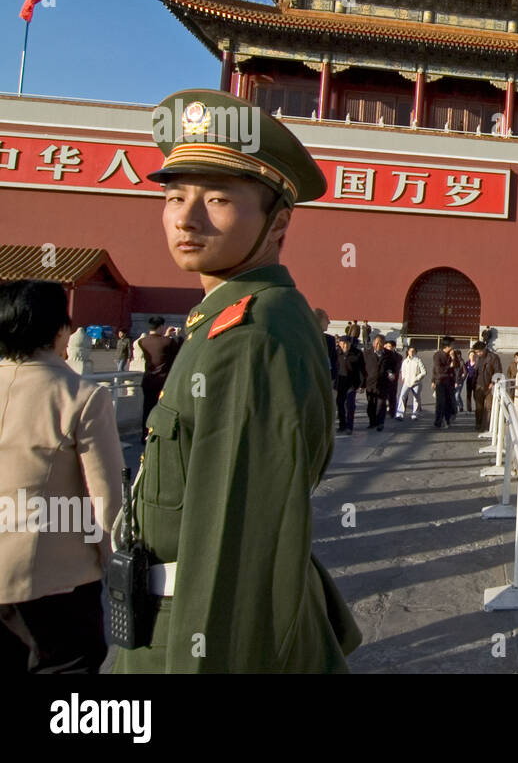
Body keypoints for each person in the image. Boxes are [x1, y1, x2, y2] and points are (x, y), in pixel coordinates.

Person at [114, 87, 359, 673]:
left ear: (278, 221)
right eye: (175, 197)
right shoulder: (226, 319)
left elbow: (234, 550)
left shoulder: (248, 337)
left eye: (219, 199)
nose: (186, 218)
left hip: (193, 634)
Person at [0, 280, 124, 674]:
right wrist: (109, 558)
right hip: (55, 578)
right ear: (60, 331)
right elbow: (105, 497)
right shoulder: (81, 396)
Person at [137, 315, 180, 444]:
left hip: (148, 381)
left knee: (147, 409)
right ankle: (159, 435)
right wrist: (175, 336)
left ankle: (145, 435)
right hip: (163, 382)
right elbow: (176, 353)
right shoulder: (168, 342)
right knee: (162, 409)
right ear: (161, 327)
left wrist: (165, 336)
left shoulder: (142, 342)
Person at [363, 336, 396, 431]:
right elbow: (362, 368)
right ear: (373, 343)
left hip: (383, 383)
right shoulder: (367, 354)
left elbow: (393, 366)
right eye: (376, 343)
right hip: (370, 383)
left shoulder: (389, 354)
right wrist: (362, 384)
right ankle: (372, 422)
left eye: (380, 343)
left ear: (384, 344)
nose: (378, 345)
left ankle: (380, 422)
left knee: (381, 404)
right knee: (371, 404)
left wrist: (391, 373)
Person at [335, 335, 365, 434]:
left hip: (352, 384)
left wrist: (362, 384)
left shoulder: (357, 354)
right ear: (339, 344)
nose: (345, 345)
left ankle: (349, 426)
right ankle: (342, 425)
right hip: (340, 383)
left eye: (347, 343)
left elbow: (362, 370)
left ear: (350, 344)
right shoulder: (336, 353)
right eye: (343, 343)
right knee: (340, 404)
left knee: (350, 405)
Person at [472, 342, 502, 432]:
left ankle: (488, 426)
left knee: (489, 407)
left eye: (480, 352)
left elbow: (498, 371)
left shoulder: (493, 357)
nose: (478, 354)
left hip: (489, 386)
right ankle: (478, 424)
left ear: (484, 349)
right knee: (479, 407)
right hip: (478, 385)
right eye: (476, 352)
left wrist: (493, 382)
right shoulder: (477, 358)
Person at [395, 346, 426, 420]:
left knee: (416, 398)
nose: (411, 353)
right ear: (408, 352)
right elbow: (403, 370)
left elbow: (424, 372)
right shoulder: (405, 361)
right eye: (410, 351)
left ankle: (415, 414)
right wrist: (404, 378)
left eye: (413, 351)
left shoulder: (418, 361)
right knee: (402, 396)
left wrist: (417, 378)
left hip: (416, 383)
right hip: (407, 382)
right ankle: (400, 413)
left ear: (415, 352)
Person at [431, 338, 457, 428]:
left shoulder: (453, 354)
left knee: (450, 402)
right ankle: (438, 422)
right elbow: (437, 370)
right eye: (452, 344)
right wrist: (433, 380)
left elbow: (457, 366)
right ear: (447, 346)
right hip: (440, 381)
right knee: (441, 403)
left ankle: (448, 420)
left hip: (450, 382)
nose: (454, 346)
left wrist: (453, 358)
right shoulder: (437, 355)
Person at [315, 308, 338, 387]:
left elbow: (334, 362)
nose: (329, 322)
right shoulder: (305, 339)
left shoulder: (330, 340)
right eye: (326, 318)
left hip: (327, 383)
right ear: (318, 320)